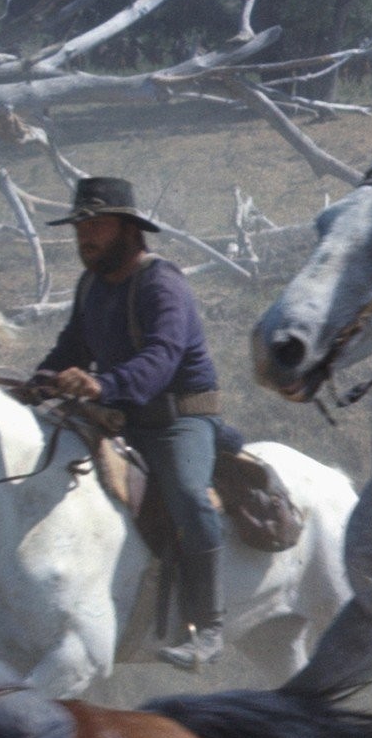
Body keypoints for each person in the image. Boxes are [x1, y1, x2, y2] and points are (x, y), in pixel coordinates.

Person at [35, 177, 230, 668]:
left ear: (128, 229)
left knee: (188, 494)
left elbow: (160, 358)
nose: (85, 236)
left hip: (178, 421)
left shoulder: (162, 282)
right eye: (80, 227)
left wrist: (102, 386)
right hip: (122, 418)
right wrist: (39, 382)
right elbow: (70, 349)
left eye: (95, 225)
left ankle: (209, 627)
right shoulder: (90, 287)